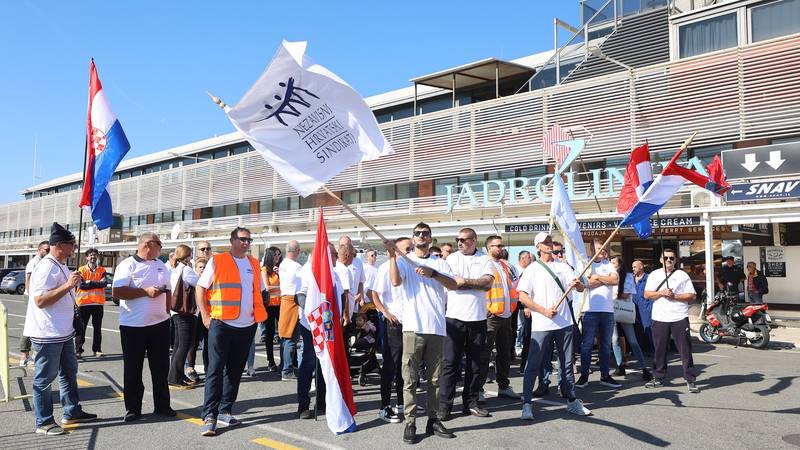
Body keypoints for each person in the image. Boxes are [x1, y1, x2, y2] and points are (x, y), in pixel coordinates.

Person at [387, 222, 459, 444]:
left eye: (425, 234)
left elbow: (454, 285)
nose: (421, 236)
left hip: (436, 327)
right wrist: (391, 256)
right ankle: (410, 422)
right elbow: (395, 281)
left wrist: (433, 274)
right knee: (410, 379)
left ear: (430, 238)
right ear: (413, 238)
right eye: (417, 234)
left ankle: (433, 420)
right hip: (412, 328)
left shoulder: (440, 263)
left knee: (435, 379)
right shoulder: (405, 261)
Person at [24, 223, 97, 435]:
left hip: (63, 332)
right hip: (48, 333)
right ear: (59, 245)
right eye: (71, 245)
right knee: (44, 378)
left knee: (69, 373)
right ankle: (44, 421)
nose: (74, 248)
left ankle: (72, 410)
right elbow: (39, 300)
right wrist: (67, 286)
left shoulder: (60, 264)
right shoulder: (46, 267)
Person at [196, 227, 267, 436]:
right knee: (215, 370)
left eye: (249, 239)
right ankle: (209, 415)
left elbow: (260, 291)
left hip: (247, 326)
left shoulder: (254, 264)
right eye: (242, 239)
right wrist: (205, 316)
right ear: (232, 240)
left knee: (235, 371)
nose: (246, 243)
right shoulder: (217, 261)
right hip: (222, 323)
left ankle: (225, 410)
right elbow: (201, 288)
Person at [517, 232, 590, 421]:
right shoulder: (532, 269)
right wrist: (542, 310)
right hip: (542, 324)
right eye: (545, 242)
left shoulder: (563, 266)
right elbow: (523, 297)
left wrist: (578, 284)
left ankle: (572, 400)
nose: (549, 244)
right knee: (533, 364)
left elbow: (580, 288)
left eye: (550, 241)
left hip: (564, 322)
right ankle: (527, 403)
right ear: (538, 247)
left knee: (566, 364)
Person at [112, 232, 174, 422]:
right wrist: (145, 292)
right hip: (133, 326)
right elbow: (117, 292)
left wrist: (168, 312)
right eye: (159, 245)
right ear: (148, 245)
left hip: (160, 324)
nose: (161, 249)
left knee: (161, 368)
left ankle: (162, 405)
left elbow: (168, 289)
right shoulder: (127, 265)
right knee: (133, 369)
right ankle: (133, 408)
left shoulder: (161, 265)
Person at [439, 228, 494, 420]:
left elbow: (487, 283)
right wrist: (469, 283)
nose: (460, 243)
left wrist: (465, 282)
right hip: (454, 318)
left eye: (463, 239)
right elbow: (451, 284)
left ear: (474, 240)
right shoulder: (452, 259)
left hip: (478, 319)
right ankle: (444, 406)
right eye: (457, 240)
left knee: (475, 365)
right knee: (450, 364)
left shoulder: (485, 259)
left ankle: (470, 403)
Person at [294, 243, 340, 419]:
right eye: (334, 254)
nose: (336, 257)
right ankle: (303, 405)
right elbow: (300, 296)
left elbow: (339, 295)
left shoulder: (333, 272)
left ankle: (322, 402)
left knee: (325, 364)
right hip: (310, 326)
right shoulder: (307, 271)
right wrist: (315, 316)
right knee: (308, 363)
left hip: (329, 326)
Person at [644, 249, 699, 393]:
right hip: (659, 317)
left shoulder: (682, 275)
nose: (669, 260)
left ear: (676, 260)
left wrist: (674, 296)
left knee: (685, 350)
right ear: (661, 260)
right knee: (660, 349)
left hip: (679, 317)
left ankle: (690, 379)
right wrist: (662, 293)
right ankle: (658, 376)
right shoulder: (654, 275)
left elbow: (691, 295)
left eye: (672, 258)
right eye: (666, 258)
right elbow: (647, 294)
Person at [371, 237, 412, 424]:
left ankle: (402, 403)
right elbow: (374, 293)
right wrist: (385, 312)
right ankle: (385, 406)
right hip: (395, 323)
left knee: (406, 366)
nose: (409, 252)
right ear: (395, 250)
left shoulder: (413, 267)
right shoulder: (385, 268)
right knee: (391, 365)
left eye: (411, 248)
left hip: (411, 323)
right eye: (406, 248)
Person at [576, 239, 622, 389]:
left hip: (607, 310)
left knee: (605, 344)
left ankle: (605, 375)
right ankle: (584, 376)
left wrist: (598, 278)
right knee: (587, 344)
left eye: (603, 248)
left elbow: (615, 280)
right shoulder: (586, 264)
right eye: (598, 248)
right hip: (590, 310)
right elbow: (584, 284)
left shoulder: (608, 264)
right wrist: (600, 280)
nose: (602, 251)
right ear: (592, 249)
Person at [484, 235, 520, 400]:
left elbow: (513, 287)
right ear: (488, 248)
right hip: (491, 315)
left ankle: (503, 386)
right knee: (484, 353)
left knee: (504, 353)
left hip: (506, 315)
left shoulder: (505, 266)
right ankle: (478, 389)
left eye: (501, 245)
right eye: (497, 245)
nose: (501, 248)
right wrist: (487, 309)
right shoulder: (484, 264)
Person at [610, 256, 651, 381]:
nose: (611, 265)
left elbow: (627, 294)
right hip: (611, 311)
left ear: (620, 264)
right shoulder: (609, 276)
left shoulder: (628, 277)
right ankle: (620, 366)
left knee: (632, 340)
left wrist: (612, 296)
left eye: (614, 263)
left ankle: (644, 368)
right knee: (615, 339)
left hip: (623, 310)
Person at [168, 245, 200, 388]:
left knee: (178, 345)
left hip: (176, 312)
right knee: (184, 346)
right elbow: (200, 283)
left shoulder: (176, 269)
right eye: (190, 255)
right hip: (185, 312)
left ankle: (175, 376)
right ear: (186, 256)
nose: (191, 257)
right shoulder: (186, 270)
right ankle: (175, 378)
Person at [19, 240, 50, 367]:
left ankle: (33, 354)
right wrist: (33, 299)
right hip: (32, 297)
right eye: (46, 250)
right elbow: (28, 280)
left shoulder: (45, 262)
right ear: (39, 250)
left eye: (49, 250)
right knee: (32, 325)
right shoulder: (34, 262)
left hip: (39, 297)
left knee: (38, 325)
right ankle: (24, 355)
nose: (48, 252)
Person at [74, 247, 108, 359]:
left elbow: (104, 284)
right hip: (83, 304)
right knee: (81, 328)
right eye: (91, 255)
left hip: (98, 304)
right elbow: (82, 286)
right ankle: (78, 350)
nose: (93, 257)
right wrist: (96, 283)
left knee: (97, 328)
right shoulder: (81, 270)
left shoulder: (102, 270)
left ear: (97, 257)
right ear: (87, 257)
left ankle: (97, 350)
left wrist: (90, 282)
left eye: (95, 255)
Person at [278, 240, 303, 381]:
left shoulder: (283, 264)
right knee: (291, 338)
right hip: (293, 300)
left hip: (285, 300)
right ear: (297, 251)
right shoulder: (297, 266)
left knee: (285, 337)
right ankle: (286, 370)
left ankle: (284, 367)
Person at [187, 257, 208, 383]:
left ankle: (208, 367)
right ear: (195, 269)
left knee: (208, 343)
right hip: (194, 315)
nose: (202, 269)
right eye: (200, 267)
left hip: (206, 314)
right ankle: (190, 368)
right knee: (193, 344)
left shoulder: (209, 281)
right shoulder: (192, 281)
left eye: (204, 267)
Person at [261, 246, 283, 372]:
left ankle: (288, 360)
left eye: (279, 254)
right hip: (269, 306)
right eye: (275, 254)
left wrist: (280, 273)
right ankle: (271, 361)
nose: (277, 257)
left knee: (284, 332)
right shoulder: (265, 269)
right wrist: (282, 288)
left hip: (280, 304)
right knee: (269, 334)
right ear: (270, 255)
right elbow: (267, 288)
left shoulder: (279, 269)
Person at [631, 260, 653, 355]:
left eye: (635, 267)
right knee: (637, 330)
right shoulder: (631, 279)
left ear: (641, 267)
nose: (633, 269)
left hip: (646, 307)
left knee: (648, 329)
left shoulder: (649, 278)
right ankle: (638, 350)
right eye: (632, 267)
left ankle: (653, 350)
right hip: (634, 308)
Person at [513, 250, 532, 358]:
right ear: (523, 258)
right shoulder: (515, 270)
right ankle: (518, 346)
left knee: (524, 328)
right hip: (518, 305)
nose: (531, 260)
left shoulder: (530, 270)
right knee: (520, 328)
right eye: (529, 258)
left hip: (526, 305)